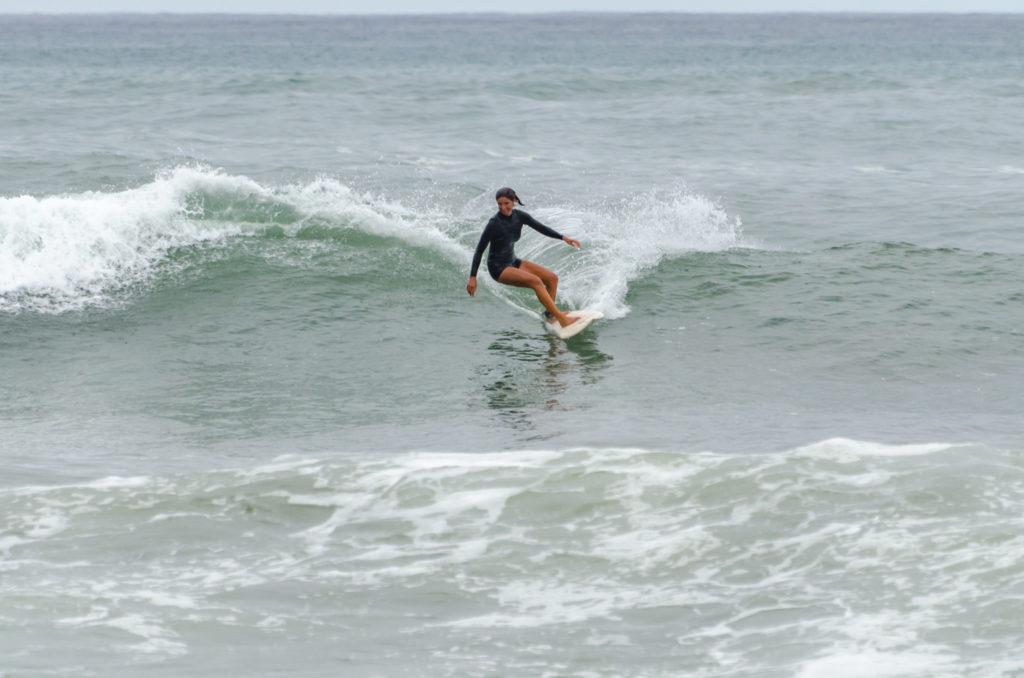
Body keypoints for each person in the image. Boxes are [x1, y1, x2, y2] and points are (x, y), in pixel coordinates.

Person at [466, 187, 582, 328]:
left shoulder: (520, 216)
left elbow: (541, 228)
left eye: (506, 203)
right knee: (536, 281)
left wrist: (563, 238)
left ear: (513, 201)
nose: (503, 207)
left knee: (552, 279)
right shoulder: (493, 224)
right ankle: (562, 319)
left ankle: (551, 316)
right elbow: (479, 250)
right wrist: (473, 277)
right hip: (498, 268)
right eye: (499, 204)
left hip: (513, 261)